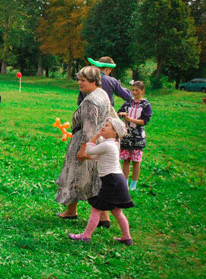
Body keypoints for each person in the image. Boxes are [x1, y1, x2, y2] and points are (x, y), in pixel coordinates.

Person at [55, 66, 119, 227]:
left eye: (83, 80)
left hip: (85, 142)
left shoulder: (91, 100)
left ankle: (100, 217)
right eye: (79, 79)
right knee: (93, 177)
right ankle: (82, 213)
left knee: (76, 176)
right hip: (98, 142)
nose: (79, 83)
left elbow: (88, 128)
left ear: (93, 81)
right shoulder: (102, 94)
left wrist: (83, 149)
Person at [68, 117, 134, 246]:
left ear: (115, 132)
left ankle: (85, 236)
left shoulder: (107, 145)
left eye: (107, 126)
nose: (103, 127)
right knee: (116, 211)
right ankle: (127, 238)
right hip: (117, 181)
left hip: (112, 181)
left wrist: (95, 136)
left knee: (96, 209)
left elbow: (89, 150)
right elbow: (96, 156)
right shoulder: (113, 144)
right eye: (103, 125)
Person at [118, 81, 153, 191]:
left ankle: (134, 183)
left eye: (137, 90)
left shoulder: (146, 105)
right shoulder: (128, 103)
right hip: (126, 135)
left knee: (136, 160)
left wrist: (130, 119)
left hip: (137, 137)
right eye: (133, 90)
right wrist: (121, 115)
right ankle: (125, 182)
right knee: (126, 159)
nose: (134, 92)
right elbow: (119, 113)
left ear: (142, 91)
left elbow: (144, 121)